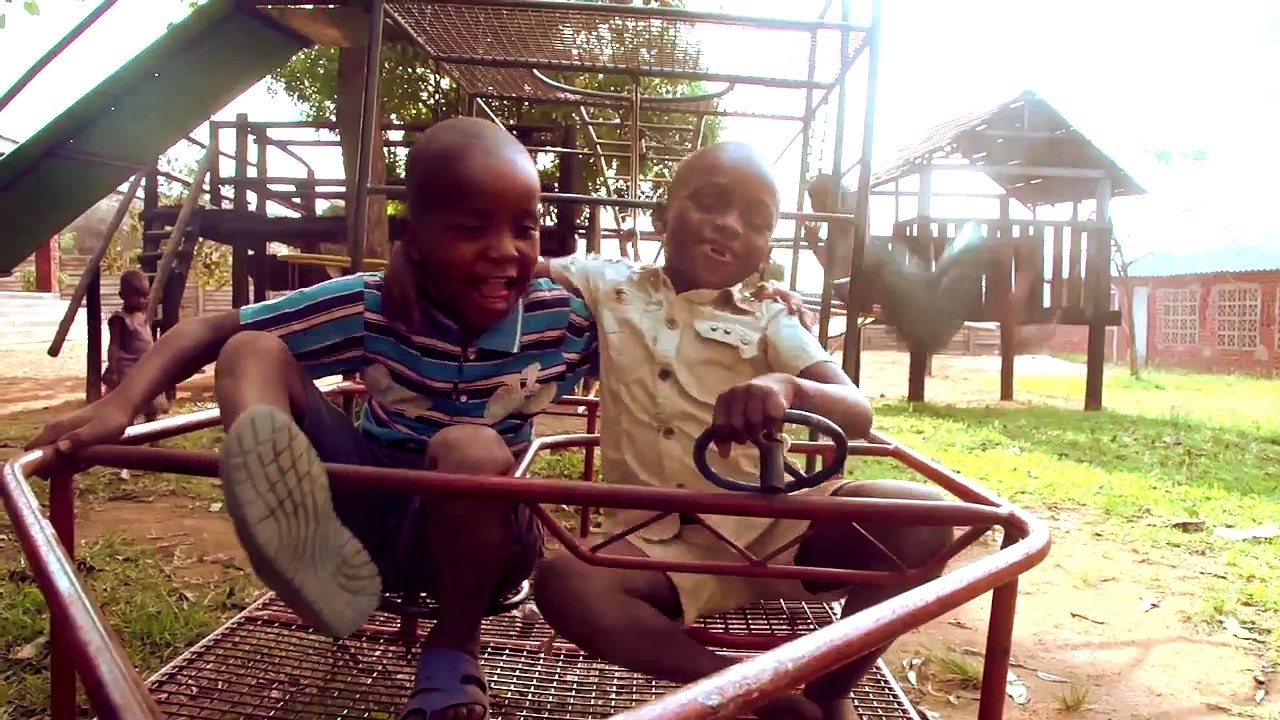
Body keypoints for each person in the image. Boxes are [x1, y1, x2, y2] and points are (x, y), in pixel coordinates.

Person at [28, 117, 599, 720]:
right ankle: (288, 521)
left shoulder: (559, 319)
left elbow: (662, 336)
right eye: (470, 229)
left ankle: (454, 648)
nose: (505, 251)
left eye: (525, 227)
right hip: (365, 512)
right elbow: (209, 331)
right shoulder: (373, 305)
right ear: (414, 238)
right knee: (251, 349)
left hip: (485, 538)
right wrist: (118, 406)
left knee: (471, 449)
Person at [531, 142, 955, 720]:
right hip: (660, 544)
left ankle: (829, 690)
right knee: (564, 581)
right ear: (663, 215)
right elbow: (502, 264)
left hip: (779, 529)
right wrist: (411, 261)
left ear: (765, 248)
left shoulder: (768, 315)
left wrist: (789, 387)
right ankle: (764, 699)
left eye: (755, 222)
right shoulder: (606, 282)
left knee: (927, 516)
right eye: (708, 203)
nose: (729, 226)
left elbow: (856, 410)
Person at [103, 269, 169, 423]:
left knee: (151, 401)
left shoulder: (143, 316)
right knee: (132, 404)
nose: (142, 301)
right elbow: (114, 346)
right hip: (128, 370)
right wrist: (112, 369)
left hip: (145, 367)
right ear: (122, 296)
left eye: (145, 296)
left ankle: (153, 432)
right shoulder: (120, 319)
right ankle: (133, 433)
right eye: (136, 296)